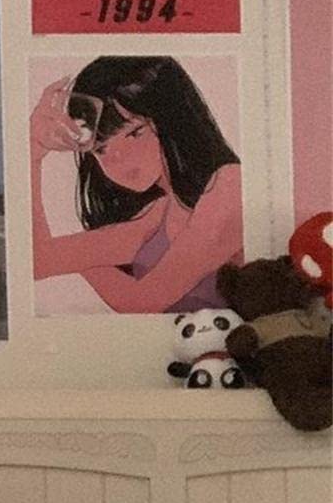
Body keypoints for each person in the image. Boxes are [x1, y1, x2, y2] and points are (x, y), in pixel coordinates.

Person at [30, 56, 244, 315]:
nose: (118, 158)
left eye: (134, 133)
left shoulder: (229, 185)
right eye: (100, 149)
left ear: (173, 118)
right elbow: (39, 260)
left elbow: (143, 301)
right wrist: (32, 153)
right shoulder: (161, 211)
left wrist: (81, 260)